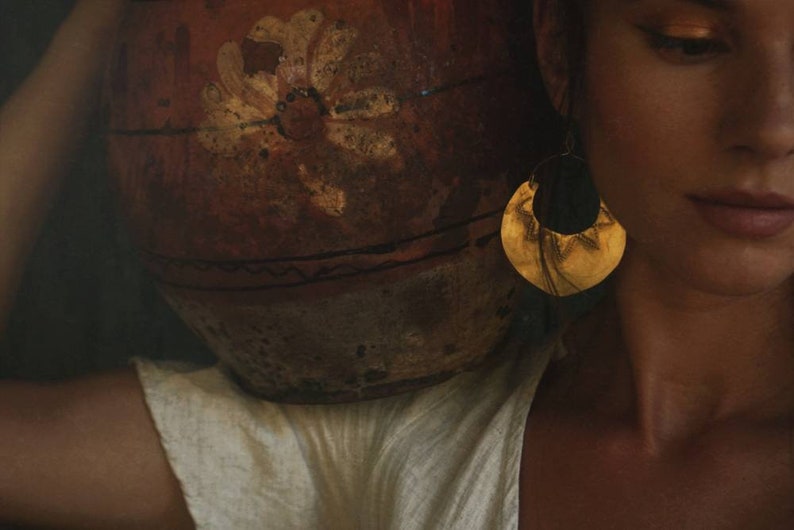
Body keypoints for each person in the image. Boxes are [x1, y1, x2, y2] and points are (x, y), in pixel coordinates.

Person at [1, 0, 793, 528]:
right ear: (560, 54)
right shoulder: (403, 445)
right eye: (690, 43)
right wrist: (106, 22)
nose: (771, 125)